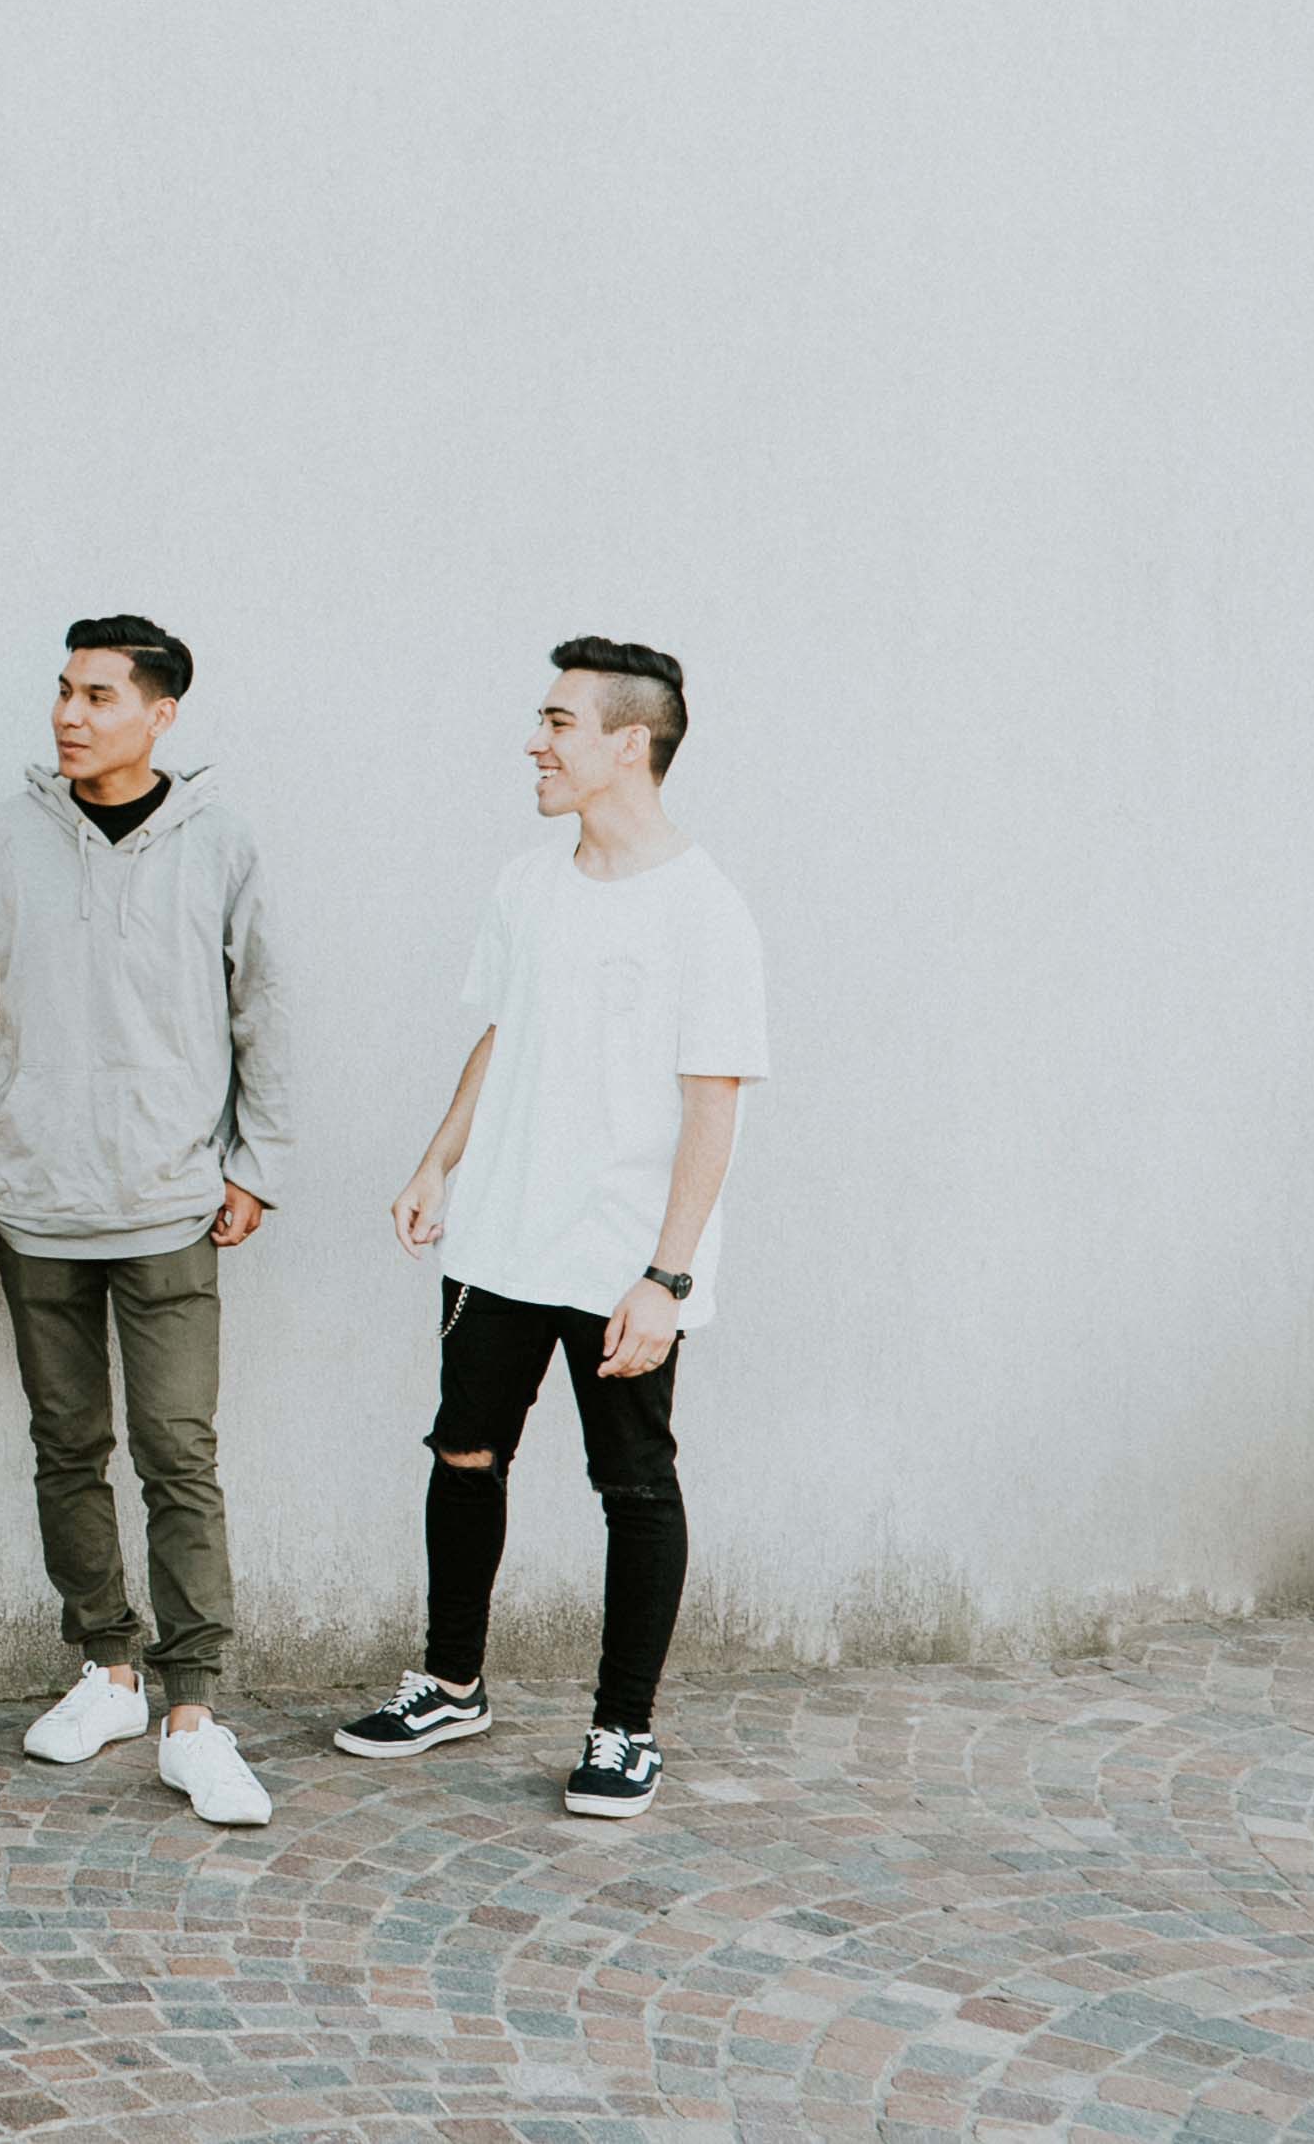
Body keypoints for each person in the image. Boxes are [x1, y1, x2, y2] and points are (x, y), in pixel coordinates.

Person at [336, 638, 767, 1820]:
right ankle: (450, 1679)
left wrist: (666, 1276)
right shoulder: (526, 882)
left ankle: (623, 1729)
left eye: (558, 720)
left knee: (632, 1483)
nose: (534, 739)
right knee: (462, 1451)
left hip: (621, 1256)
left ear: (630, 743)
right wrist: (437, 1159)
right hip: (498, 1236)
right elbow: (501, 1034)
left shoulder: (704, 910)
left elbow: (713, 1099)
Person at [0, 616, 290, 1828]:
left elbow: (264, 1014)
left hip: (167, 1201)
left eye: (97, 693)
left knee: (178, 1453)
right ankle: (106, 1665)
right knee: (64, 1444)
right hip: (33, 1198)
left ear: (160, 713)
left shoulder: (221, 844)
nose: (68, 713)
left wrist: (258, 1160)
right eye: (61, 689)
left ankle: (195, 1707)